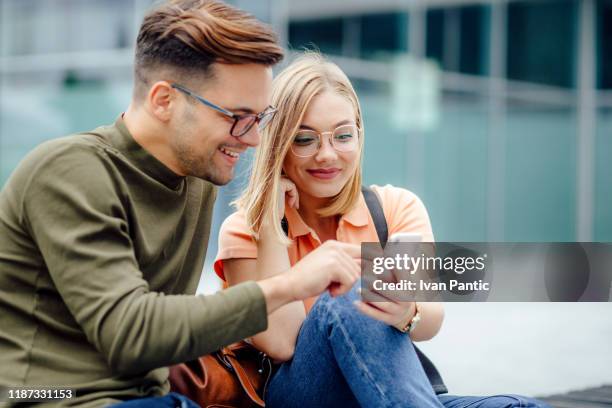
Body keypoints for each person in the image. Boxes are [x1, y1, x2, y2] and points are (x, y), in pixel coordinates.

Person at [0, 3, 361, 407]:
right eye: (237, 117)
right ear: (164, 100)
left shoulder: (198, 181)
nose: (254, 140)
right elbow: (132, 334)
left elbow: (434, 300)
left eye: (261, 118)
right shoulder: (68, 172)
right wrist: (291, 281)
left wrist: (408, 313)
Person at [215, 52, 551, 408]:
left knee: (522, 407)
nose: (327, 155)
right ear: (278, 146)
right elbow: (282, 343)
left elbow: (429, 318)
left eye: (342, 136)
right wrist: (270, 223)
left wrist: (406, 313)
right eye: (304, 140)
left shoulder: (393, 209)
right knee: (349, 294)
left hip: (386, 392)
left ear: (359, 136)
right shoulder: (245, 230)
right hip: (302, 396)